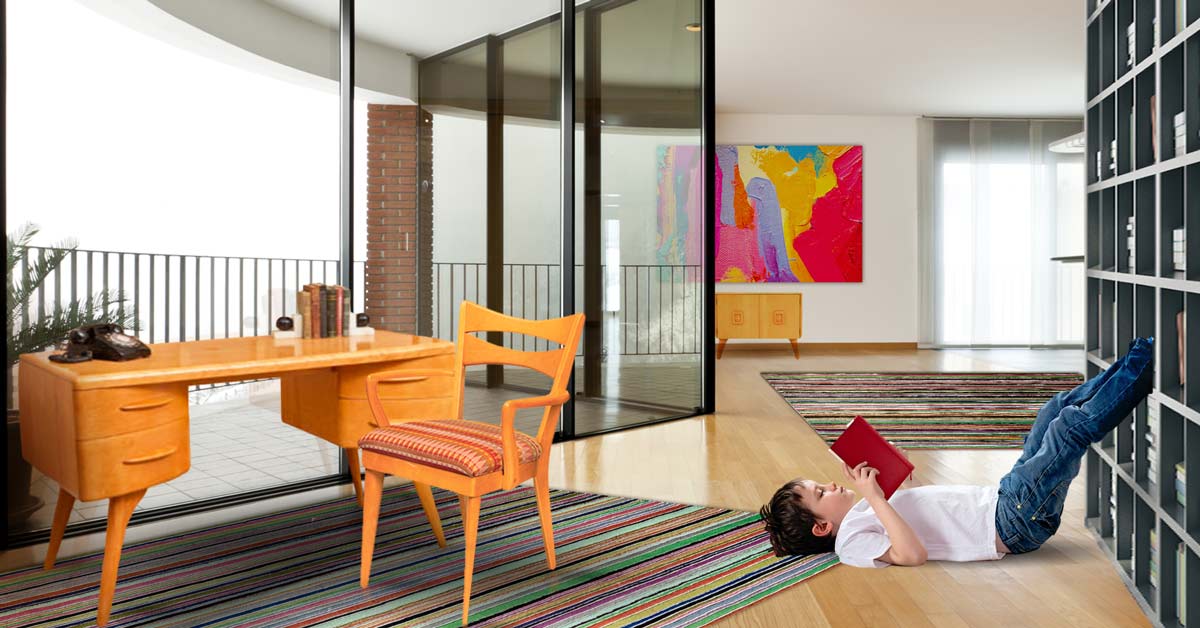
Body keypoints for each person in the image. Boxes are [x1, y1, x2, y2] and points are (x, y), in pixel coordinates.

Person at [758, 337, 1155, 567]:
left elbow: (929, 508)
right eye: (821, 493)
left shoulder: (867, 510)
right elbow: (912, 554)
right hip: (1011, 523)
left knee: (1053, 410)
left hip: (1003, 499)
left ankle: (1134, 363)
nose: (829, 485)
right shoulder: (850, 545)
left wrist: (896, 475)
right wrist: (876, 497)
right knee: (1067, 429)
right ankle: (1147, 362)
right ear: (822, 527)